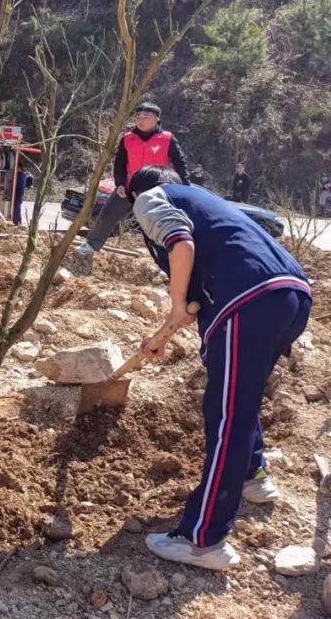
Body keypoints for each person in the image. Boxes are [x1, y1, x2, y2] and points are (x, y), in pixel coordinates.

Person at [129, 165, 310, 571]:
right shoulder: (210, 204)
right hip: (291, 294)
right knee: (239, 396)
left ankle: (204, 539)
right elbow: (197, 290)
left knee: (227, 414)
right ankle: (252, 475)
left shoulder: (150, 197)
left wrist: (176, 307)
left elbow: (179, 243)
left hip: (249, 299)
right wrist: (164, 330)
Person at [76, 101, 189, 259]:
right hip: (130, 187)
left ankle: (165, 257)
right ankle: (91, 245)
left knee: (160, 223)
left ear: (157, 119)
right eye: (138, 117)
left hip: (157, 189)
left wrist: (185, 188)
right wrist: (120, 184)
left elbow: (180, 164)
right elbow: (120, 163)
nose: (141, 120)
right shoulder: (128, 139)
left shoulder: (167, 139)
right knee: (108, 213)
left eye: (146, 116)